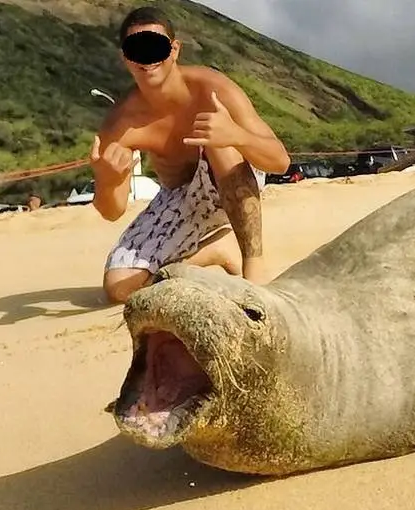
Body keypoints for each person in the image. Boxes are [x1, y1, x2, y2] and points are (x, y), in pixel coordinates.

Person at [89, 6, 291, 304]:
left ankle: (253, 263)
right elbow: (112, 211)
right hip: (178, 198)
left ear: (174, 50)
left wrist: (237, 135)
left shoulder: (212, 90)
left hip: (234, 182)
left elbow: (280, 161)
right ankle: (215, 249)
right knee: (119, 288)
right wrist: (107, 181)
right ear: (125, 58)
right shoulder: (121, 124)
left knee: (217, 139)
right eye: (137, 49)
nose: (147, 59)